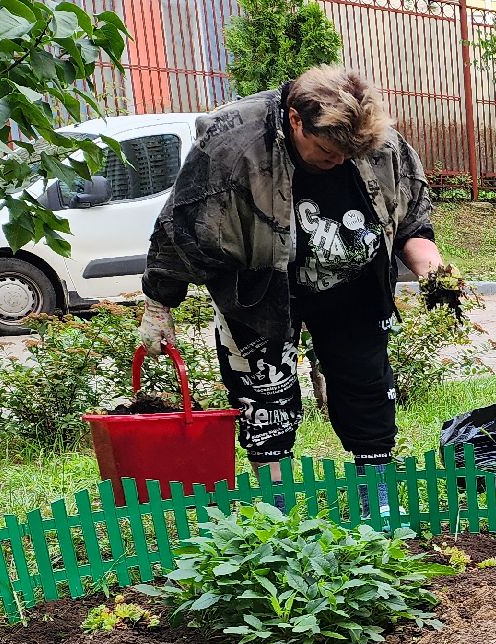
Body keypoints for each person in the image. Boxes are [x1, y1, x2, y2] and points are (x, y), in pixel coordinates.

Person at [136, 66, 455, 503]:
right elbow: (184, 227)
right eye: (327, 152)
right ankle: (277, 515)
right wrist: (160, 303)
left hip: (353, 287)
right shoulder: (232, 145)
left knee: (366, 387)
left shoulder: (380, 145)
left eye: (349, 155)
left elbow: (411, 221)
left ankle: (376, 503)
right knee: (263, 395)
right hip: (258, 291)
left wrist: (435, 273)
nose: (338, 162)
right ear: (295, 120)